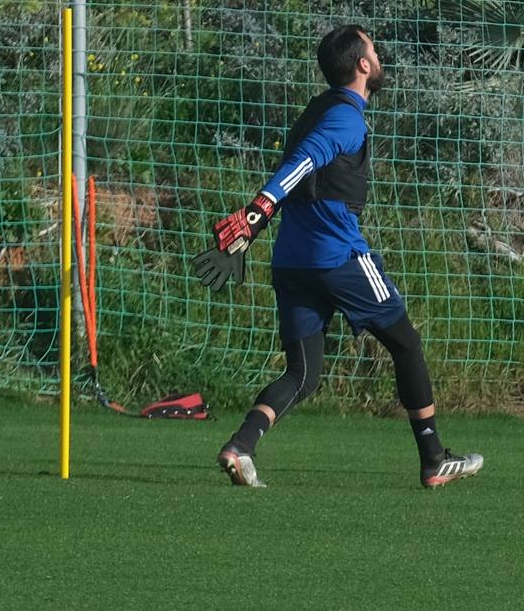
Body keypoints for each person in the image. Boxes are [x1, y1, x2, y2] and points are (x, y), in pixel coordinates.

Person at [192, 24, 483, 489]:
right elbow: (303, 164)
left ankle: (240, 446)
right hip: (338, 256)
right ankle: (433, 458)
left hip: (292, 262)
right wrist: (256, 211)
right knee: (406, 342)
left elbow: (301, 174)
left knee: (303, 373)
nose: (379, 55)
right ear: (363, 65)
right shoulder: (345, 118)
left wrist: (260, 223)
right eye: (373, 49)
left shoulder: (316, 109)